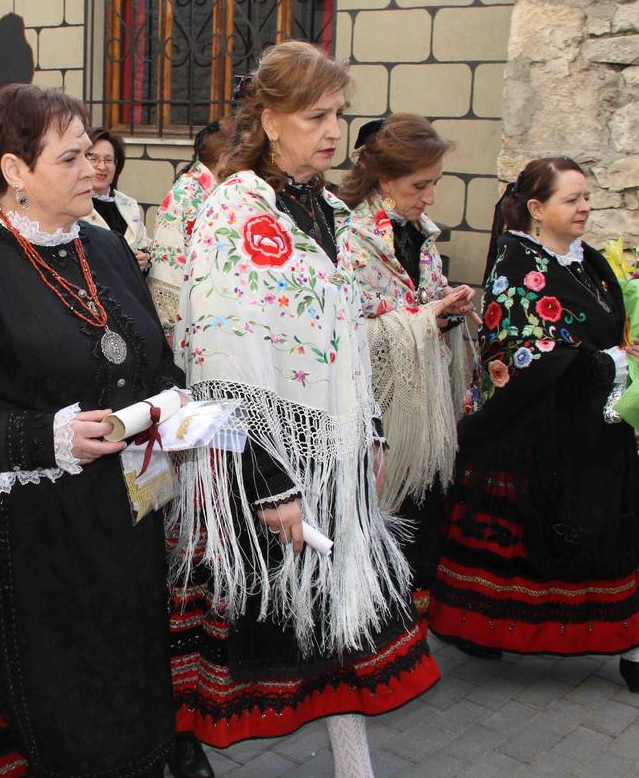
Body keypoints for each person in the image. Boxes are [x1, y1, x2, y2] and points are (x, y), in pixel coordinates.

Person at [169, 42, 437, 777]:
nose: (332, 131)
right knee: (248, 628)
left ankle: (355, 769)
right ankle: (175, 745)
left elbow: (342, 332)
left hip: (332, 447)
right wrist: (269, 484)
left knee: (339, 626)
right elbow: (221, 357)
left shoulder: (321, 206)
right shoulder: (235, 209)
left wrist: (370, 431)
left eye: (338, 115)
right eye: (315, 116)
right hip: (267, 454)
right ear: (269, 119)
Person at [0, 85, 191, 778]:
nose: (93, 169)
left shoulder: (105, 245)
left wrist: (171, 402)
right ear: (15, 171)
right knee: (65, 698)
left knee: (132, 669)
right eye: (70, 158)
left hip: (128, 514)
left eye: (90, 154)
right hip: (37, 534)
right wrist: (45, 438)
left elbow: (149, 355)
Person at [427, 157, 639, 692]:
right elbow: (518, 356)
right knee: (531, 540)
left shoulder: (589, 261)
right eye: (572, 199)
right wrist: (611, 362)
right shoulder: (517, 266)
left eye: (586, 198)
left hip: (592, 430)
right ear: (537, 208)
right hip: (536, 438)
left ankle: (637, 647)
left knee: (604, 533)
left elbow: (606, 331)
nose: (584, 208)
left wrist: (638, 353)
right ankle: (481, 627)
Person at [338, 114, 476, 614]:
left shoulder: (418, 234)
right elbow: (344, 333)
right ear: (383, 178)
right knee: (384, 518)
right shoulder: (351, 239)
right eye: (420, 185)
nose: (430, 197)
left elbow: (420, 302)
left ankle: (408, 625)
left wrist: (448, 309)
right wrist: (422, 320)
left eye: (435, 183)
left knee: (423, 515)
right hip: (380, 417)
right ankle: (378, 625)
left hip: (423, 409)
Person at [148, 121, 234, 332]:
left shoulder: (213, 192)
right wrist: (171, 328)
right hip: (188, 318)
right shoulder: (185, 196)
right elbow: (167, 270)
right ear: (224, 159)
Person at [80, 127, 151, 270]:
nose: (102, 166)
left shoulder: (129, 205)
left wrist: (145, 260)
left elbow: (145, 246)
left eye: (108, 160)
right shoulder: (73, 206)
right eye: (93, 158)